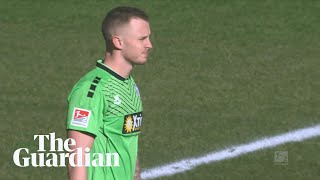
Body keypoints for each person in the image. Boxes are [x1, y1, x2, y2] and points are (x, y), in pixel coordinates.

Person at [66, 6, 152, 180]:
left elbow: (126, 142)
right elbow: (77, 159)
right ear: (118, 42)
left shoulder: (129, 85)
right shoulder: (91, 90)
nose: (149, 45)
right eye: (142, 39)